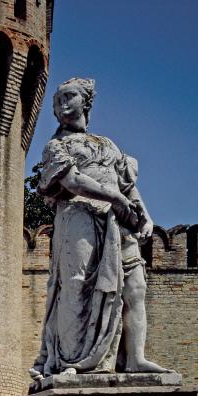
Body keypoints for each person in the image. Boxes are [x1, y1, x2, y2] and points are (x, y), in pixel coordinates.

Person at [30, 77, 166, 378]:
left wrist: (145, 216)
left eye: (70, 96)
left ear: (86, 102)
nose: (62, 104)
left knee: (134, 287)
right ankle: (71, 361)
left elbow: (127, 185)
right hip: (78, 218)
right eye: (57, 100)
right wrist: (115, 197)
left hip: (116, 223)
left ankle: (135, 359)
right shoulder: (55, 146)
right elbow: (73, 182)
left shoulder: (107, 145)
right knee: (77, 286)